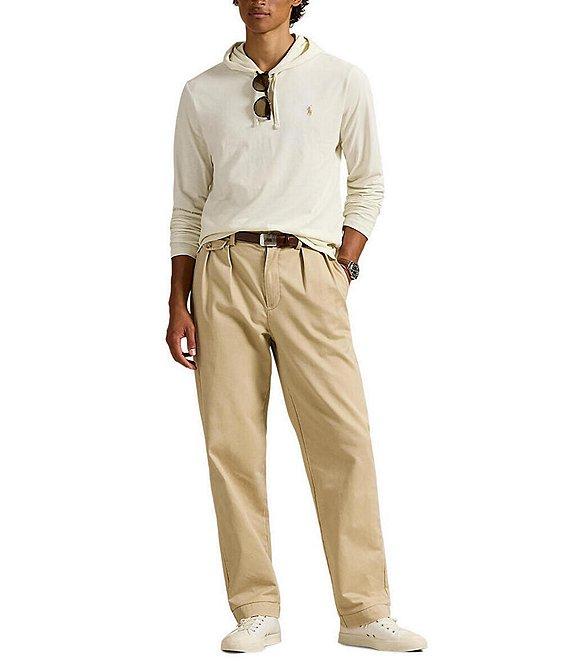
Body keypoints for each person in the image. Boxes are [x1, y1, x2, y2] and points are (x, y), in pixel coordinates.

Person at [166, 0, 426, 653]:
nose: (261, 0)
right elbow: (188, 205)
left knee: (344, 439)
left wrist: (342, 266)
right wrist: (177, 301)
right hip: (222, 273)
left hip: (312, 270)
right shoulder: (201, 92)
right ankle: (255, 607)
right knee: (231, 446)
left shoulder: (342, 79)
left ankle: (364, 611)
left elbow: (368, 181)